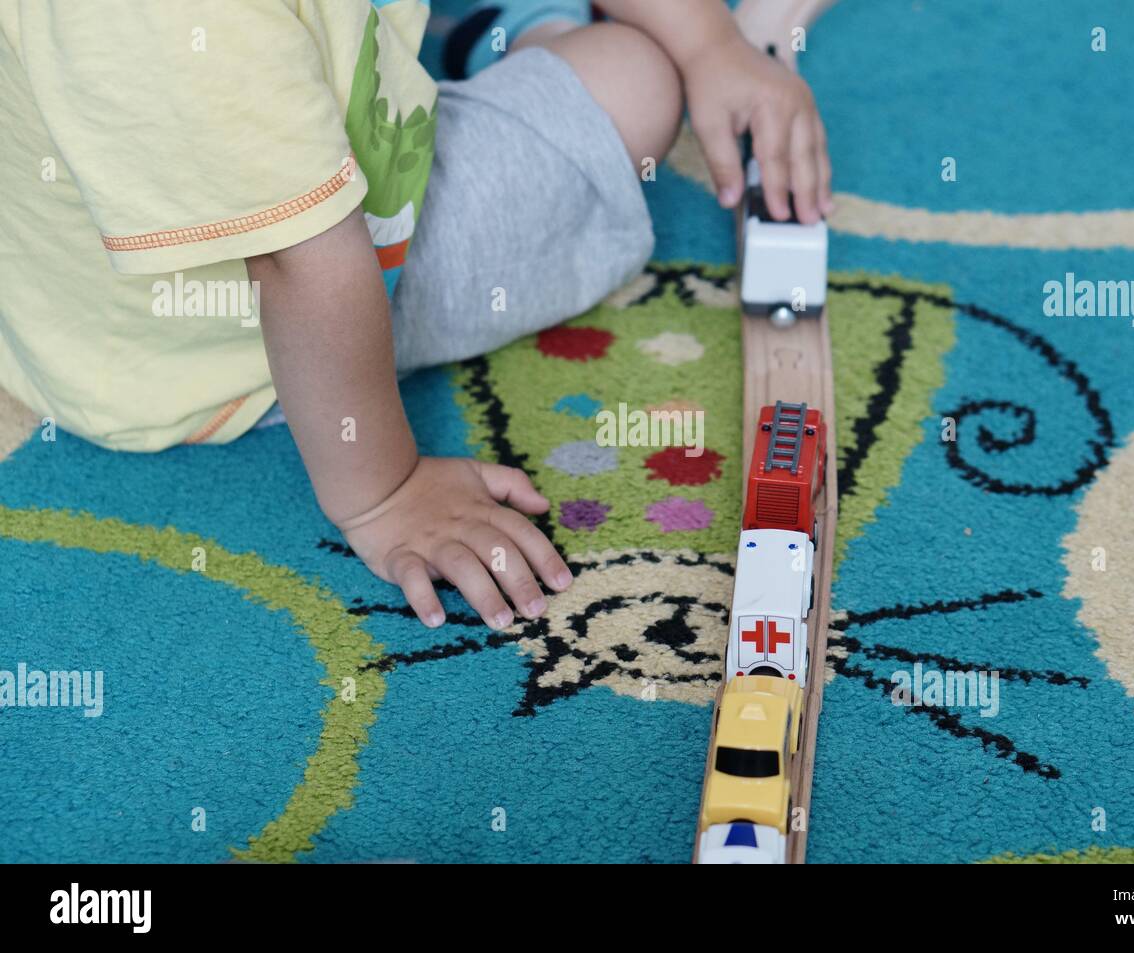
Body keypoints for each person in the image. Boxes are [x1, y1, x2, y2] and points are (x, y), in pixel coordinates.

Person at [0, 0, 832, 630]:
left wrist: (710, 42)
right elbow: (298, 265)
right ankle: (529, 32)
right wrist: (385, 492)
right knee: (634, 79)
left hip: (81, 261)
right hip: (232, 333)